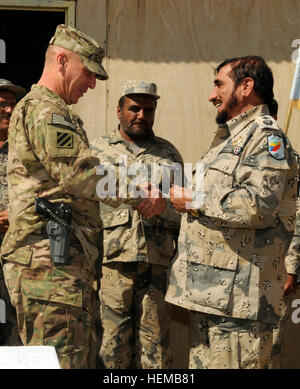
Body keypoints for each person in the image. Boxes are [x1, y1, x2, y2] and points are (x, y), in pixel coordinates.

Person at [0, 25, 161, 369]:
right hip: (49, 268)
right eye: (87, 73)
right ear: (61, 61)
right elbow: (79, 173)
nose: (91, 84)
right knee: (60, 362)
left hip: (61, 265)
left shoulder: (49, 110)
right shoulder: (47, 111)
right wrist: (137, 192)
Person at [166, 56, 299, 369]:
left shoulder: (266, 138)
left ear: (247, 86)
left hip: (242, 308)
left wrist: (196, 199)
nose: (212, 95)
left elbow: (259, 206)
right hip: (213, 299)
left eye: (219, 85)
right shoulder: (232, 138)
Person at [90, 80, 184, 369]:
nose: (141, 115)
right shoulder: (96, 151)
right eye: (134, 108)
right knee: (111, 344)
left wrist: (162, 206)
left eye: (148, 110)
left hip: (157, 265)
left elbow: (186, 209)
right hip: (110, 264)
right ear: (119, 110)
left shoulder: (168, 154)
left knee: (155, 348)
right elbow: (83, 207)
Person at [0, 79, 26, 346]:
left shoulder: (26, 151)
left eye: (12, 105)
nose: (9, 111)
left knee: (17, 328)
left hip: (18, 254)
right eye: (2, 105)